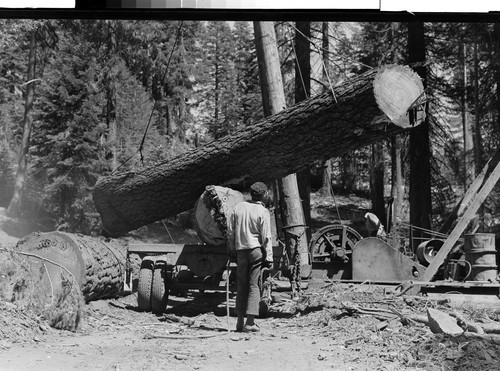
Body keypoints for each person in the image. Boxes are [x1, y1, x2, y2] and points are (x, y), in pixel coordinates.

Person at [227, 182, 273, 333]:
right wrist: (270, 257)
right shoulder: (262, 211)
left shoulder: (239, 207)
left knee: (241, 285)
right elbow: (266, 237)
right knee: (254, 286)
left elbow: (231, 232)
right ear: (264, 194)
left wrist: (233, 249)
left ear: (250, 193)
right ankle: (250, 322)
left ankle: (239, 322)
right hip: (255, 251)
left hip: (241, 251)